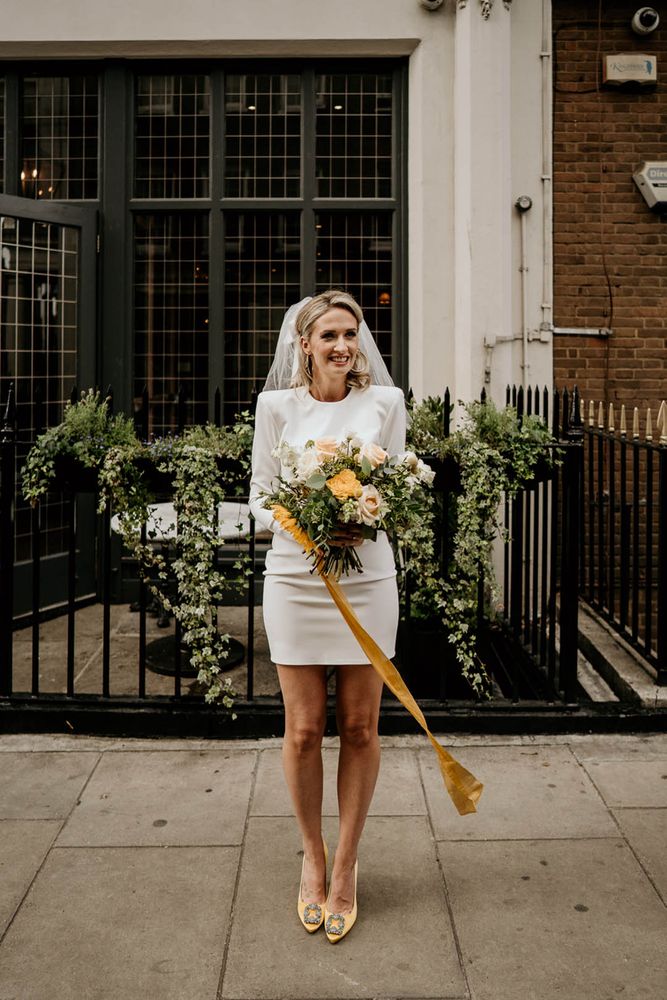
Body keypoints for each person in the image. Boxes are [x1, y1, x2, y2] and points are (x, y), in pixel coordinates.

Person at [248, 289, 406, 943]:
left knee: (361, 728)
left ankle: (346, 866)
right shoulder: (276, 408)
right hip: (295, 578)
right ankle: (312, 857)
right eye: (329, 335)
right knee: (305, 730)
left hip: (366, 579)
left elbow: (396, 486)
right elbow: (260, 495)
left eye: (351, 333)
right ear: (304, 344)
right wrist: (307, 524)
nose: (343, 345)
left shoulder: (386, 404)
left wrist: (363, 517)